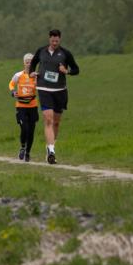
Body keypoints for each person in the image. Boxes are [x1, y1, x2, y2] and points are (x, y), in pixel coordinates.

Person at [31, 28, 80, 164]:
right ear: (49, 39)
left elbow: (76, 70)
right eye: (52, 40)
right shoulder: (41, 51)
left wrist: (67, 71)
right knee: (48, 119)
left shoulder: (65, 53)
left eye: (57, 40)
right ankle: (51, 152)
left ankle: (50, 145)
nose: (54, 42)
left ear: (60, 39)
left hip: (59, 91)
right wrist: (32, 73)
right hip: (43, 88)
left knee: (56, 122)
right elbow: (34, 63)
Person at [9, 53, 39, 162]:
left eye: (31, 62)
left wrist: (36, 80)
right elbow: (11, 84)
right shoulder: (18, 75)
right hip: (21, 106)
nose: (28, 63)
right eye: (27, 62)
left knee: (31, 131)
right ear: (24, 63)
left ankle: (28, 152)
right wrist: (13, 92)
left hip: (33, 106)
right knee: (24, 128)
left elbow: (41, 86)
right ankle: (22, 147)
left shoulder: (36, 76)